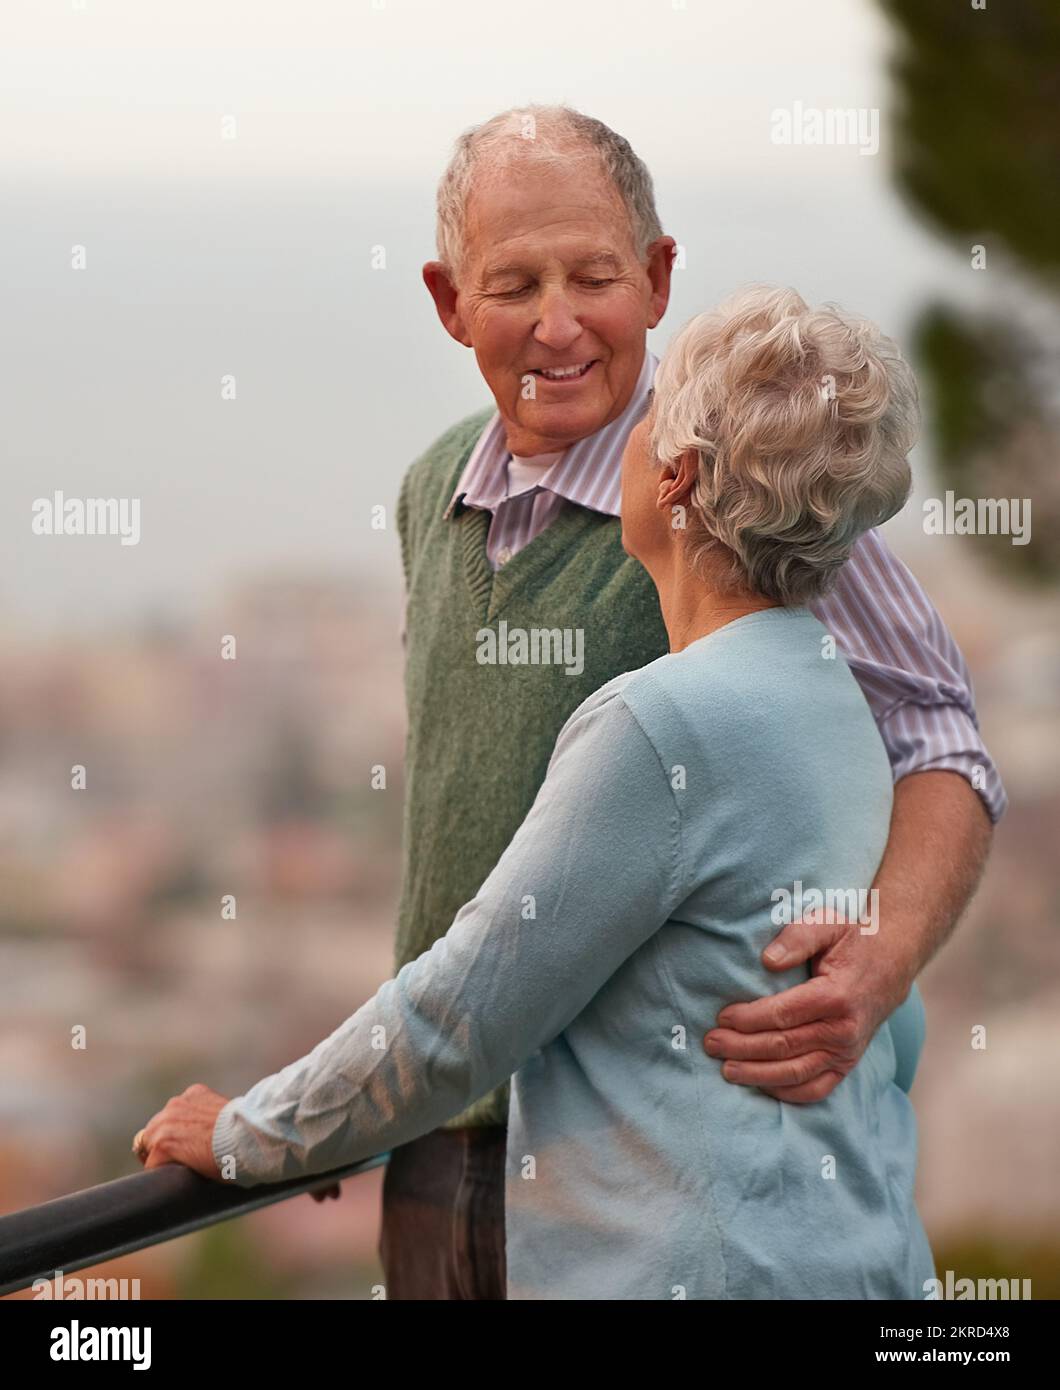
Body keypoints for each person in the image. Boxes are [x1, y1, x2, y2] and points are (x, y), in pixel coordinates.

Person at [136, 106, 1005, 1300]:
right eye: (513, 285)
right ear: (451, 305)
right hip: (441, 1147)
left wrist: (884, 956)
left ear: (655, 279)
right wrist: (344, 1111)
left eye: (594, 276)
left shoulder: (756, 475)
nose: (557, 324)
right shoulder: (431, 490)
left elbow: (940, 738)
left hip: (641, 1172)